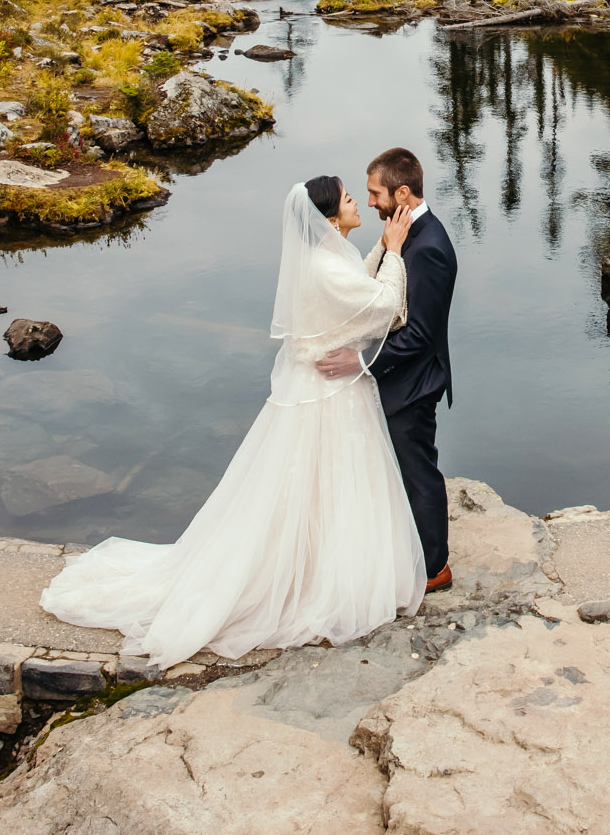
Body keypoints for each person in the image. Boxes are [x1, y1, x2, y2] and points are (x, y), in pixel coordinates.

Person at [37, 175, 424, 665]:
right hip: (326, 393)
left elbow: (359, 291)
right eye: (349, 198)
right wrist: (394, 250)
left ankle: (314, 566)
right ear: (329, 219)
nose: (356, 203)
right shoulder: (326, 266)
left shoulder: (324, 259)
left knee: (312, 482)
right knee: (325, 478)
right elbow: (383, 304)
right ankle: (308, 580)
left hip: (319, 384)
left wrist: (381, 253)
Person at [321, 146, 456, 592]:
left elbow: (419, 334)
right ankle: (410, 551)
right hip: (396, 377)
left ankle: (435, 567)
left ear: (402, 193)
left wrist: (359, 361)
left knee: (419, 472)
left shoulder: (430, 248)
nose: (372, 203)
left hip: (414, 383)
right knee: (400, 470)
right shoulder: (404, 238)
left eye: (376, 194)